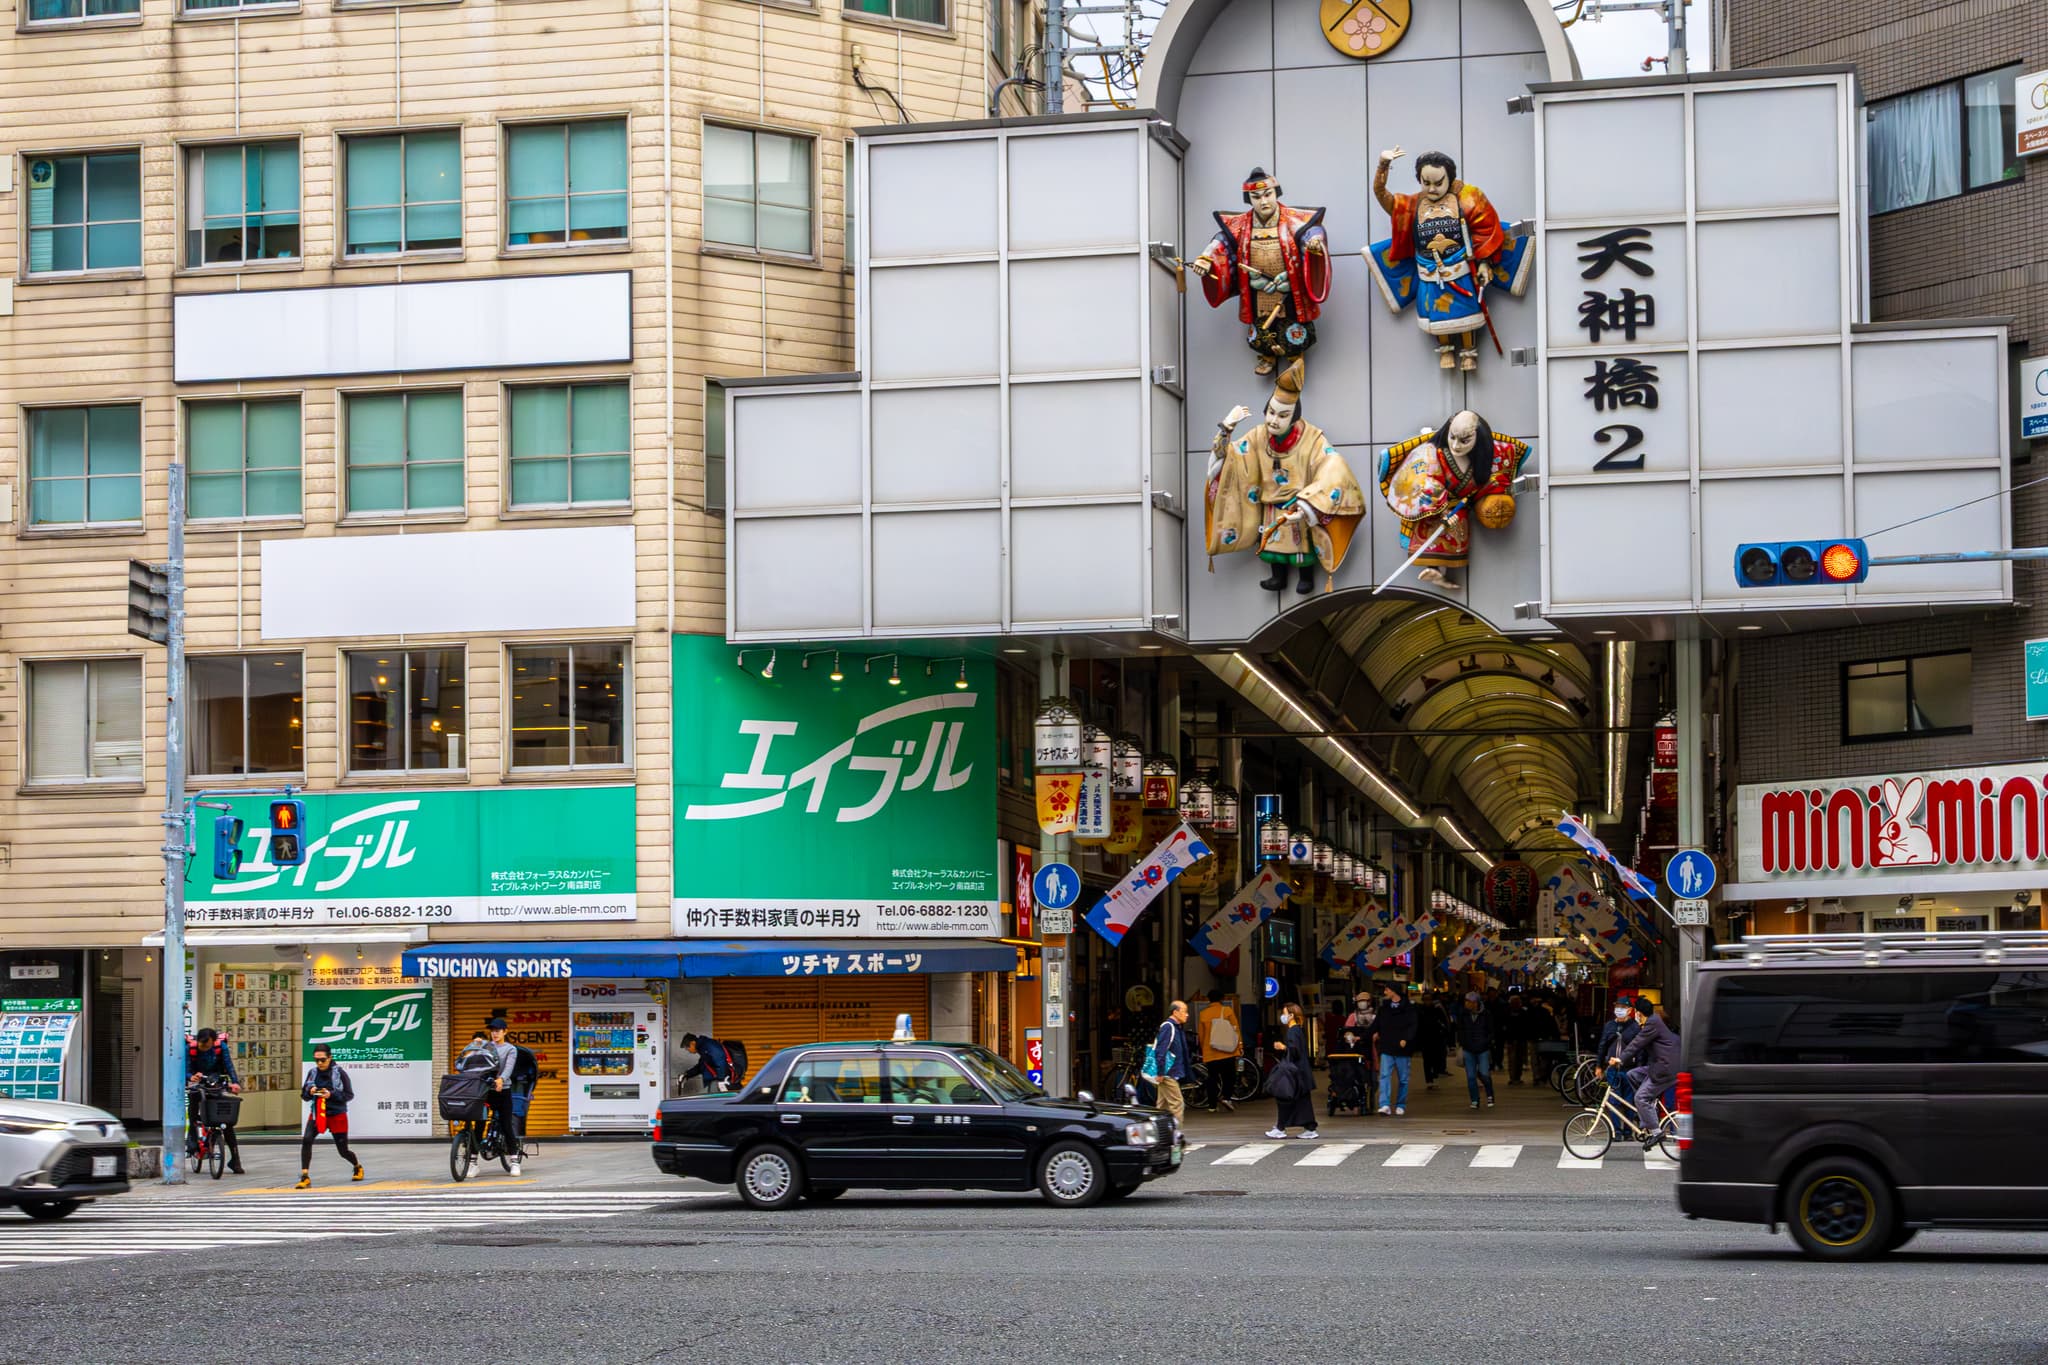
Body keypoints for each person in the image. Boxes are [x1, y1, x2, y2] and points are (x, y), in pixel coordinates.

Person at [1203, 359, 1369, 598]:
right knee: (1271, 544)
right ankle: (1277, 576)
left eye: (1282, 416)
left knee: (1300, 545)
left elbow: (1332, 465)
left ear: (1293, 418)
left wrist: (1308, 504)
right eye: (1270, 413)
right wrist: (1227, 428)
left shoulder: (1312, 438)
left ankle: (1306, 576)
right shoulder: (1258, 436)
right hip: (1270, 506)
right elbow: (1229, 459)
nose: (1273, 420)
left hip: (1297, 506)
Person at [1187, 167, 1332, 376]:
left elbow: (1311, 231)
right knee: (1262, 323)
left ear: (1276, 193)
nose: (1263, 202)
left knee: (1292, 320)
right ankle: (1267, 355)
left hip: (1288, 285)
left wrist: (1314, 242)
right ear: (1249, 199)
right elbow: (1220, 243)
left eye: (1268, 195)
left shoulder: (1293, 220)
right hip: (1257, 288)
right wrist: (1206, 259)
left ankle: (1295, 355)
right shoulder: (1241, 225)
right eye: (1256, 197)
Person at [1612, 1000, 1681, 1151]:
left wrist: (1620, 1059)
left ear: (1639, 1013)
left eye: (1635, 1012)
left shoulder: (1652, 1024)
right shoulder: (1652, 1021)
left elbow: (1637, 1043)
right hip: (1658, 1066)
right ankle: (1648, 1107)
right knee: (1632, 1074)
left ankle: (1657, 1133)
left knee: (1640, 1097)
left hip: (1665, 1069)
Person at [295, 1043, 362, 1189]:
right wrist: (310, 1091)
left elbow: (349, 1095)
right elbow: (304, 1096)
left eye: (322, 1060)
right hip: (317, 1113)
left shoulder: (340, 1073)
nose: (319, 1063)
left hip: (337, 1113)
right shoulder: (312, 1073)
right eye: (316, 1060)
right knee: (307, 1139)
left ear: (330, 1058)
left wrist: (331, 1094)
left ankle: (357, 1166)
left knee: (343, 1150)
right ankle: (305, 1175)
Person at [186, 1027, 245, 1175]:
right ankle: (192, 1144)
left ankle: (235, 1160)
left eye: (207, 1046)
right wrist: (190, 1077)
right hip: (197, 1085)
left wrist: (235, 1082)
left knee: (226, 1121)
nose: (204, 1048)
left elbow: (228, 1065)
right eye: (201, 1045)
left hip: (215, 1083)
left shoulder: (220, 1047)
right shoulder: (190, 1048)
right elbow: (185, 1068)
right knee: (193, 1113)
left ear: (213, 1042)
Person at [473, 1017, 521, 1178]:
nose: (495, 1033)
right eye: (492, 1031)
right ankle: (473, 1162)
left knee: (506, 1124)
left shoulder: (510, 1049)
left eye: (498, 1030)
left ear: (505, 1031)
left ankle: (514, 1162)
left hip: (503, 1090)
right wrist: (476, 1045)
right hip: (486, 1091)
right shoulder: (486, 1046)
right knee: (479, 1124)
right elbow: (476, 1061)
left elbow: (508, 1068)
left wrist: (501, 1079)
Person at [1266, 1002, 1320, 1140]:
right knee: (1301, 1103)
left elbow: (1294, 1051)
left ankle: (1280, 1128)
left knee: (1285, 1099)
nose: (1282, 1016)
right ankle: (1309, 1128)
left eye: (1284, 1014)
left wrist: (1282, 1047)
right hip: (1300, 1073)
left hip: (1295, 1074)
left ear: (1291, 1015)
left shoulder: (1293, 1031)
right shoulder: (1297, 1029)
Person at [1371, 984, 1418, 1116]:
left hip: (1403, 1048)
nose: (1385, 992)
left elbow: (1413, 1025)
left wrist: (1406, 1038)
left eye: (1387, 989)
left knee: (1403, 1078)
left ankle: (1400, 1104)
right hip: (1387, 1047)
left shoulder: (1409, 1008)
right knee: (1385, 1076)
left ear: (1394, 991)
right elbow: (1376, 1025)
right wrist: (1362, 1036)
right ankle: (1384, 1104)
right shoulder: (1384, 1008)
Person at [1197, 989, 1243, 1113]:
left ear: (1208, 1000)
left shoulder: (1203, 1014)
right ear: (1222, 999)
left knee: (1212, 1078)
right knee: (1230, 1076)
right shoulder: (1227, 1011)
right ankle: (1226, 1097)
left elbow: (1201, 1035)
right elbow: (1235, 1029)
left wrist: (1203, 1049)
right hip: (1227, 1051)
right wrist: (1239, 1046)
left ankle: (1212, 1106)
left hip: (1211, 1052)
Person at [1453, 991, 1497, 1109]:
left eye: (1469, 1002)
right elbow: (1460, 1031)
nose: (1466, 1004)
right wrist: (1464, 1043)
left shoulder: (1486, 1014)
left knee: (1484, 1074)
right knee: (1471, 1076)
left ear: (1475, 1003)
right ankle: (1474, 1099)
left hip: (1483, 1048)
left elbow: (1491, 1031)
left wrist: (1485, 1042)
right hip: (1468, 1049)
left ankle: (1489, 1095)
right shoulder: (1463, 1015)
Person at [1151, 1000, 1191, 1123]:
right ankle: (1176, 1136)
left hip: (1166, 1072)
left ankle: (1157, 1134)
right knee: (1177, 1104)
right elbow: (1161, 1050)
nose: (1187, 1014)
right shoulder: (1169, 1027)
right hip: (1168, 1073)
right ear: (1175, 1012)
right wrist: (1160, 1072)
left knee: (1161, 1106)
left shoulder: (1175, 1027)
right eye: (1184, 1011)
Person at [1417, 992, 1449, 1089]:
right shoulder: (1420, 1011)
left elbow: (1444, 1022)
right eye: (1425, 999)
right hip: (1424, 1039)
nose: (1427, 1001)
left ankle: (1434, 1074)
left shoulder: (1437, 1010)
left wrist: (1444, 1032)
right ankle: (1429, 1080)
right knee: (1427, 1060)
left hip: (1436, 1038)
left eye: (1429, 999)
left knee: (1436, 1058)